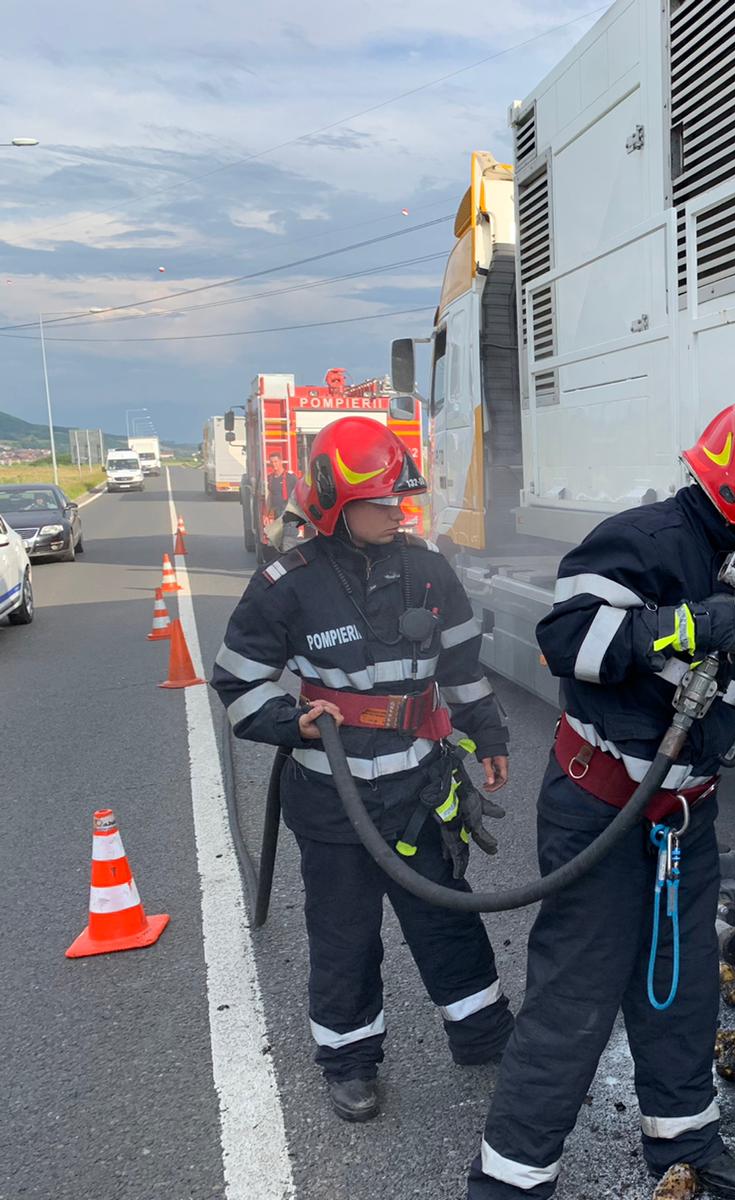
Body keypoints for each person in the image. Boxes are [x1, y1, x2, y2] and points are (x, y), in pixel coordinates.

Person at [468, 401, 735, 1200]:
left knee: (680, 984)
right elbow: (569, 641)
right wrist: (684, 625)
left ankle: (685, 1143)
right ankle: (508, 1181)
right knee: (576, 997)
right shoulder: (638, 541)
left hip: (682, 818)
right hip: (604, 807)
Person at [211, 416, 514, 1123]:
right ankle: (349, 1063)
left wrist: (490, 735)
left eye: (398, 499)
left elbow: (463, 668)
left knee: (445, 913)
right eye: (381, 501)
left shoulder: (429, 571)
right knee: (344, 936)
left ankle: (483, 1034)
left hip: (417, 787)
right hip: (332, 798)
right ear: (334, 505)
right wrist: (292, 720)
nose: (397, 511)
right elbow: (238, 685)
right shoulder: (287, 585)